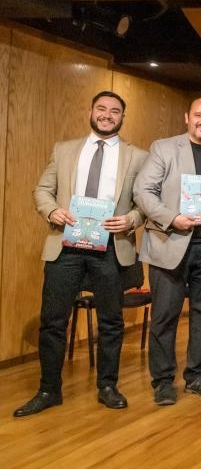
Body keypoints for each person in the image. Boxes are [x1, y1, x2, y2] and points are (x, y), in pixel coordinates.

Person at [14, 92, 148, 417]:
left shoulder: (138, 156)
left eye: (114, 111)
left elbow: (146, 202)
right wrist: (52, 211)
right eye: (101, 109)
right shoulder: (64, 150)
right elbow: (42, 190)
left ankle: (107, 386)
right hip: (65, 246)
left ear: (122, 117)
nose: (107, 115)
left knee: (111, 321)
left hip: (111, 248)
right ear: (90, 111)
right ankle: (48, 389)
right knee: (53, 321)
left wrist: (131, 219)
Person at [134, 97, 201, 405]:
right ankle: (163, 381)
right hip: (171, 242)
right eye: (198, 115)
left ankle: (196, 376)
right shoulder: (164, 148)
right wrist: (172, 217)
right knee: (165, 316)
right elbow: (143, 191)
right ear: (187, 117)